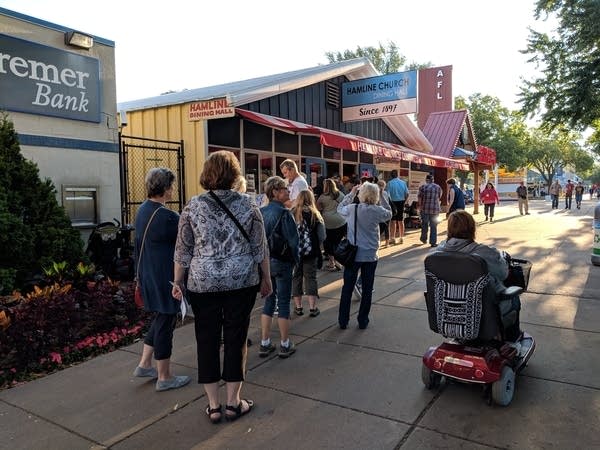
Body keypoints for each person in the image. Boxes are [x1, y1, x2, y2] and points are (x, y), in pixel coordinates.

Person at [172, 151, 272, 423]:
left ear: (207, 173)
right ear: (235, 174)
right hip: (241, 281)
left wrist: (178, 281)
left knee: (206, 339)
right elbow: (259, 247)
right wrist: (267, 278)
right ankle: (233, 402)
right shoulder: (249, 205)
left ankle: (214, 406)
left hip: (202, 282)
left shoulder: (192, 206)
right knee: (236, 337)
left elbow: (183, 250)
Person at [133, 167, 191, 392]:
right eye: (171, 186)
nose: (173, 189)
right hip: (165, 278)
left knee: (160, 318)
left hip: (146, 275)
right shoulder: (168, 217)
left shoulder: (142, 210)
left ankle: (145, 364)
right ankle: (164, 376)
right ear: (165, 189)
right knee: (166, 322)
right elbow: (187, 243)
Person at [432, 211, 522, 341]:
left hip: (447, 313)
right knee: (514, 298)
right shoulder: (485, 252)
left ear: (449, 229)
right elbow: (503, 273)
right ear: (472, 228)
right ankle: (513, 341)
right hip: (483, 313)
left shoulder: (437, 253)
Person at [337, 182, 392, 330]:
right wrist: (382, 195)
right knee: (367, 289)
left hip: (353, 255)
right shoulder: (377, 210)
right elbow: (389, 212)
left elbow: (339, 208)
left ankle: (343, 320)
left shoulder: (352, 209)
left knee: (347, 288)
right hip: (370, 255)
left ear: (361, 194)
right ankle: (362, 320)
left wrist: (351, 194)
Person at [259, 176, 300, 358]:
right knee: (283, 302)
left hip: (265, 263)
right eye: (284, 188)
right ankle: (285, 343)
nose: (288, 191)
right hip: (282, 262)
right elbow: (294, 241)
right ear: (275, 192)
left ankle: (265, 342)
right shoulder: (285, 213)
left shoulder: (260, 212)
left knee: (269, 301)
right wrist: (295, 260)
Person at [291, 190, 326, 317]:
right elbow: (322, 236)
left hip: (295, 253)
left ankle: (298, 307)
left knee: (296, 277)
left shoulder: (292, 213)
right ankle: (312, 308)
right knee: (311, 278)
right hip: (311, 252)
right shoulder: (315, 214)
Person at [317, 178, 346, 271]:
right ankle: (339, 260)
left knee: (328, 242)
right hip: (341, 220)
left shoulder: (322, 197)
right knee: (337, 242)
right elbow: (346, 204)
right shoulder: (340, 195)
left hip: (328, 222)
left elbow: (318, 208)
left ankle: (332, 262)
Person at [384, 169, 409, 244]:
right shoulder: (403, 183)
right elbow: (407, 194)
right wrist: (404, 201)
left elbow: (388, 195)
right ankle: (401, 237)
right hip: (401, 202)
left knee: (393, 221)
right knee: (401, 220)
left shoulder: (389, 183)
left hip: (393, 203)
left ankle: (392, 238)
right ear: (397, 175)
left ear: (391, 175)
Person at [418, 174, 442, 247]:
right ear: (433, 180)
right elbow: (439, 197)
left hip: (425, 209)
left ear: (426, 180)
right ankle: (433, 242)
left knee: (424, 224)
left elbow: (419, 198)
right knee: (433, 226)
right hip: (435, 209)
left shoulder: (422, 187)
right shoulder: (438, 187)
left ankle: (424, 239)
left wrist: (420, 206)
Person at [377, 179, 393, 247]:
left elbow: (378, 203)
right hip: (385, 212)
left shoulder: (380, 193)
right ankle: (386, 242)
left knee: (380, 227)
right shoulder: (385, 193)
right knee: (386, 227)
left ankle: (382, 242)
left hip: (381, 212)